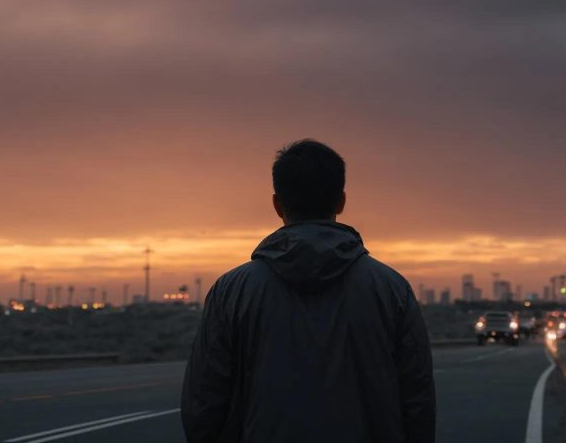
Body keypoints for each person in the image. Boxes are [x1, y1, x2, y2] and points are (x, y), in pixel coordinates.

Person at [181, 139, 436, 442]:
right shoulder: (391, 289)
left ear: (277, 204)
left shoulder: (232, 291)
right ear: (341, 201)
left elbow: (204, 403)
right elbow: (416, 400)